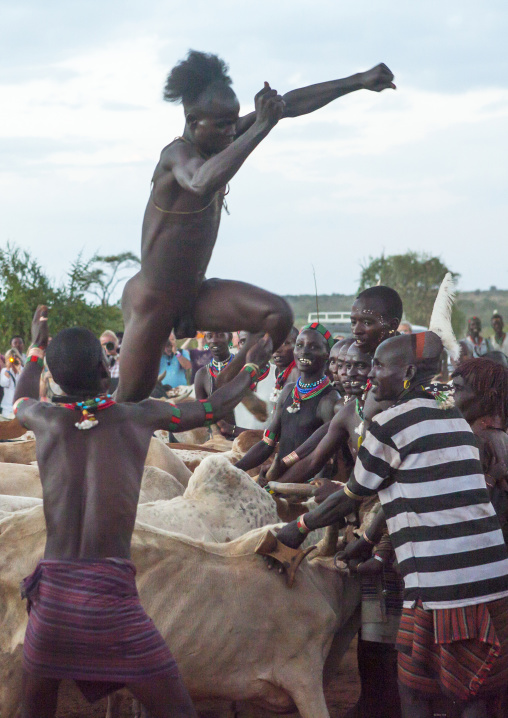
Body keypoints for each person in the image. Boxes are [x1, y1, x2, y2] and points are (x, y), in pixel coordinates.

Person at [13, 306, 272, 718]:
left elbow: (20, 397)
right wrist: (255, 365)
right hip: (110, 602)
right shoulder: (139, 415)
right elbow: (212, 409)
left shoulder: (43, 419)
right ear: (104, 366)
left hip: (54, 602)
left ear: (53, 375)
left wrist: (34, 347)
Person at [116, 50, 396, 402]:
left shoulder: (222, 140)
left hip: (194, 293)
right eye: (222, 125)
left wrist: (356, 81)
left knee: (277, 316)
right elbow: (201, 181)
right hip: (153, 299)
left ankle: (222, 392)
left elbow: (288, 106)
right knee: (128, 404)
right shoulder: (176, 156)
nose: (231, 131)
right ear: (192, 121)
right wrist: (261, 126)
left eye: (234, 122)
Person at [275, 328, 508, 718]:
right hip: (485, 575)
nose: (370, 374)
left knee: (448, 693)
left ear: (408, 372)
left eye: (380, 366)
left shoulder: (390, 424)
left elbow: (352, 494)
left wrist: (294, 530)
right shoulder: (449, 409)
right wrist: (367, 541)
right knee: (443, 687)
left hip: (445, 582)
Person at [235, 323, 339, 478]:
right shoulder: (288, 391)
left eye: (313, 347)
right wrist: (234, 468)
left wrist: (306, 493)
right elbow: (266, 444)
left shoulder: (329, 400)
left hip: (305, 486)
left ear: (327, 355)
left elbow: (327, 460)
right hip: (280, 478)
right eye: (299, 345)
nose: (304, 351)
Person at [452, 357, 508, 541]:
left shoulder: (476, 442)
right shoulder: (500, 437)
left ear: (488, 396)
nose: (451, 396)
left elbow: (465, 508)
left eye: (458, 389)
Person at [269, 327, 300, 403]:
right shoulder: (277, 373)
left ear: (298, 346)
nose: (278, 349)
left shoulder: (297, 373)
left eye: (285, 343)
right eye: (275, 343)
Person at [0, 348, 23, 416]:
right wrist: (8, 368)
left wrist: (19, 369)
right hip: (7, 407)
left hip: (20, 407)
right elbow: (3, 383)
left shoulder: (23, 370)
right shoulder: (4, 371)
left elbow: (24, 384)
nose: (12, 361)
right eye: (9, 359)